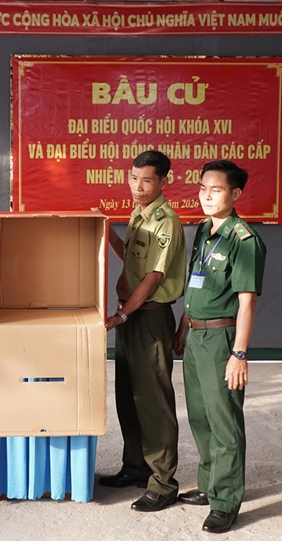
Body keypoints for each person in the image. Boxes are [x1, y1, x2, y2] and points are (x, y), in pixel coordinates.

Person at [172, 160, 266, 534]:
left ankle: (225, 502)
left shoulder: (244, 240)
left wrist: (239, 354)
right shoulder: (203, 230)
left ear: (235, 194)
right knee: (200, 416)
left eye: (217, 190)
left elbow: (247, 302)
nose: (207, 196)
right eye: (203, 188)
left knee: (224, 420)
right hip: (196, 335)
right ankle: (210, 484)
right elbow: (196, 282)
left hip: (221, 340)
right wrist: (184, 325)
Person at [100, 150, 186, 513]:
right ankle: (136, 466)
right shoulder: (139, 214)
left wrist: (120, 315)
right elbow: (133, 262)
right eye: (133, 178)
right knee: (128, 397)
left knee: (153, 403)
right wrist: (106, 232)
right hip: (132, 316)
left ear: (164, 181)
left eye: (147, 180)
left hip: (149, 318)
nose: (138, 186)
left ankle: (163, 483)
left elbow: (152, 279)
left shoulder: (166, 221)